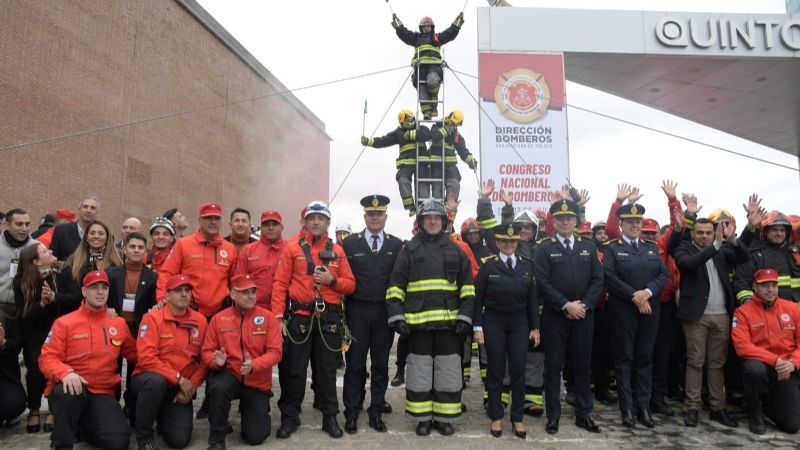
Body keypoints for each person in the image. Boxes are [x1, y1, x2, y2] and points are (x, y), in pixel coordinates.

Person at [385, 199, 475, 437]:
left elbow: (468, 288)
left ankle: (445, 418)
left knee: (448, 372)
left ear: (444, 222)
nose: (433, 221)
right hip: (418, 326)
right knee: (419, 372)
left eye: (437, 218)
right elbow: (395, 285)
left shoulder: (456, 250)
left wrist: (465, 318)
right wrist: (397, 317)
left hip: (449, 326)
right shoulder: (410, 250)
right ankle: (421, 418)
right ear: (421, 222)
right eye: (428, 218)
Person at [271, 201, 356, 439]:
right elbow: (279, 284)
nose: (316, 222)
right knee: (294, 371)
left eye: (321, 218)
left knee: (327, 370)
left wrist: (332, 281)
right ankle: (290, 416)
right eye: (312, 218)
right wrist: (278, 317)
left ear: (328, 223)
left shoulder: (338, 251)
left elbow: (350, 285)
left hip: (328, 317)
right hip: (299, 317)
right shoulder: (292, 248)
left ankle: (330, 417)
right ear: (305, 222)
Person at [39, 270, 137, 450]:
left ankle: (82, 426)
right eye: (94, 288)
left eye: (104, 288)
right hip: (71, 389)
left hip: (102, 392)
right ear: (84, 292)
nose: (100, 292)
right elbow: (47, 358)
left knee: (119, 442)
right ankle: (62, 444)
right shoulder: (64, 323)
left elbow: (137, 355)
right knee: (69, 392)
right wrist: (66, 373)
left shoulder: (118, 324)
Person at [534, 199, 604, 435]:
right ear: (553, 221)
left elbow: (598, 280)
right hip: (556, 316)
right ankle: (553, 415)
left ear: (576, 220)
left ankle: (584, 414)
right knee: (553, 367)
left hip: (583, 315)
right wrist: (566, 305)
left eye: (569, 217)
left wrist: (583, 305)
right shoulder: (543, 248)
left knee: (583, 366)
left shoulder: (589, 247)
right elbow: (542, 282)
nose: (565, 221)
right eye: (560, 218)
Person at [672, 215, 750, 428]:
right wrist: (716, 244)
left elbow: (744, 257)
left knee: (717, 364)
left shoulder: (722, 250)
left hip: (721, 315)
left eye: (708, 232)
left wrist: (732, 239)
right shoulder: (684, 249)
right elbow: (688, 264)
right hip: (696, 315)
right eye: (700, 232)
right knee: (695, 362)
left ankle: (717, 407)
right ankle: (692, 407)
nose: (705, 236)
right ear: (693, 233)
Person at [341, 195, 403, 434]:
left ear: (386, 217)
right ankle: (352, 412)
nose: (375, 218)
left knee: (380, 366)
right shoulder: (350, 244)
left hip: (383, 315)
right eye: (371, 214)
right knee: (354, 365)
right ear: (365, 216)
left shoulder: (396, 245)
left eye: (379, 214)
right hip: (356, 312)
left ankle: (376, 410)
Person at [603, 203, 668, 428]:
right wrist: (635, 296)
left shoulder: (651, 248)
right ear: (621, 224)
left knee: (645, 358)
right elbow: (609, 276)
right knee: (624, 359)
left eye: (637, 222)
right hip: (624, 310)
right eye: (629, 222)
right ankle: (627, 409)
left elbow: (663, 275)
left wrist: (647, 293)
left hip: (650, 309)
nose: (634, 225)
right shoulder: (613, 248)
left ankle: (643, 407)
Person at [473, 223, 539, 439]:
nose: (508, 244)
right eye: (504, 241)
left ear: (517, 242)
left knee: (519, 371)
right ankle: (496, 415)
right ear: (498, 243)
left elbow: (532, 301)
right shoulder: (488, 267)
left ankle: (517, 418)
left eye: (512, 241)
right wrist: (478, 327)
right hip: (494, 323)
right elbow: (477, 299)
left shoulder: (527, 266)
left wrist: (535, 328)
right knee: (496, 371)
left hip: (520, 325)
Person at [203, 274, 282, 449]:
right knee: (218, 387)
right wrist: (218, 362)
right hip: (230, 374)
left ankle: (256, 413)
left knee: (255, 437)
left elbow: (276, 352)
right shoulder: (218, 319)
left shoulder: (268, 318)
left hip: (257, 380)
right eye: (244, 292)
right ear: (232, 294)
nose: (251, 296)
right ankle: (216, 438)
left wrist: (255, 365)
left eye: (253, 291)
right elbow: (206, 352)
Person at [132, 274, 207, 449]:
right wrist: (179, 379)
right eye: (178, 291)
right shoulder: (152, 318)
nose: (184, 295)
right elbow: (146, 358)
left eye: (187, 290)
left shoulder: (200, 321)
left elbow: (204, 360)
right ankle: (144, 437)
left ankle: (163, 415)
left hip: (180, 387)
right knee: (155, 382)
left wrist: (192, 386)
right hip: (151, 379)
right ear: (166, 296)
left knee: (178, 441)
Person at [13, 243, 81, 433]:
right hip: (34, 331)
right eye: (44, 251)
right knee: (35, 367)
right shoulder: (20, 281)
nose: (51, 251)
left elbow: (75, 299)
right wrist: (41, 303)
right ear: (35, 261)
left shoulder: (63, 272)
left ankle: (53, 409)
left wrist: (54, 297)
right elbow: (23, 315)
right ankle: (34, 409)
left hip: (61, 328)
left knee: (58, 366)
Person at [731, 269, 800, 435]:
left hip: (786, 368)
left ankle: (769, 402)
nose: (770, 290)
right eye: (764, 285)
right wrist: (776, 361)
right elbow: (742, 346)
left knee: (791, 426)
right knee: (754, 369)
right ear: (755, 286)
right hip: (763, 365)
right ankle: (754, 411)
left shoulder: (792, 309)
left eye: (773, 285)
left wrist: (793, 364)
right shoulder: (743, 312)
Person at [106, 231, 158, 420]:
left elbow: (153, 304)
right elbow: (104, 298)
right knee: (113, 368)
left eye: (140, 247)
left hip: (138, 329)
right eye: (132, 246)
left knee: (137, 368)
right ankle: (111, 407)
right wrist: (107, 309)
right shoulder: (111, 273)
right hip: (114, 327)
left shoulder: (152, 277)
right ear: (124, 248)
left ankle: (132, 406)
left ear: (146, 251)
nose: (136, 250)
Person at [156, 203, 235, 318]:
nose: (213, 222)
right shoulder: (183, 244)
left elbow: (234, 282)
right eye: (208, 218)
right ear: (199, 220)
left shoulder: (229, 248)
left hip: (220, 314)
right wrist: (163, 300)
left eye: (217, 218)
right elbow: (166, 274)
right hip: (187, 312)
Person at [391, 12, 465, 119]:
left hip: (434, 67)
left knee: (432, 80)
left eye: (428, 26)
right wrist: (397, 23)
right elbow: (404, 34)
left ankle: (434, 99)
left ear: (432, 27)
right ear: (421, 28)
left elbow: (451, 33)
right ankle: (427, 113)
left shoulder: (437, 38)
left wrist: (458, 21)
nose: (426, 28)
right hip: (420, 68)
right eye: (424, 26)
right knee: (422, 89)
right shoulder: (416, 38)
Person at [361, 110, 432, 215]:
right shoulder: (398, 133)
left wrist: (411, 134)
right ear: (401, 122)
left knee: (422, 186)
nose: (409, 123)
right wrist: (368, 142)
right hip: (406, 164)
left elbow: (427, 135)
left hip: (421, 164)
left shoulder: (421, 128)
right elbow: (383, 141)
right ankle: (411, 207)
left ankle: (423, 207)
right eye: (406, 121)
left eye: (411, 120)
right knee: (402, 179)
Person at [734, 210, 799, 304]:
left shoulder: (794, 253)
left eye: (782, 230)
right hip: (767, 312)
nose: (779, 233)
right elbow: (741, 282)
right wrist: (748, 302)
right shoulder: (755, 254)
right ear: (765, 231)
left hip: (796, 314)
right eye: (774, 230)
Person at [232, 210, 287, 311]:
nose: (270, 228)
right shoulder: (248, 250)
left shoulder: (290, 249)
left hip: (285, 309)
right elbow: (239, 280)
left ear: (282, 227)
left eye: (274, 224)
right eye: (266, 224)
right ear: (260, 228)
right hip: (254, 308)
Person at [428, 110, 477, 201]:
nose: (454, 126)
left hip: (450, 166)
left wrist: (471, 161)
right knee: (437, 188)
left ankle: (450, 210)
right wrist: (446, 130)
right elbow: (435, 136)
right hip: (436, 165)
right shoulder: (436, 127)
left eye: (456, 125)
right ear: (448, 120)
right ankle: (438, 211)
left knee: (454, 184)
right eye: (452, 124)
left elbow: (463, 151)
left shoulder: (456, 136)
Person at [1, 208, 39, 317]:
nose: (24, 228)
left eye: (27, 224)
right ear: (7, 225)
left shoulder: (37, 247)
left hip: (25, 309)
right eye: (19, 224)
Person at [64, 220, 122, 286]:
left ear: (107, 238)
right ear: (86, 238)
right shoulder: (74, 260)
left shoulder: (119, 258)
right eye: (92, 233)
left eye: (101, 233)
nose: (96, 236)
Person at [50, 195, 100, 260]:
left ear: (97, 212)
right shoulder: (60, 231)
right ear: (79, 209)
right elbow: (54, 259)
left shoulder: (103, 236)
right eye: (85, 207)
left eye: (93, 208)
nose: (88, 210)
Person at [0, 310, 26, 426]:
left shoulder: (8, 320)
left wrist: (3, 343)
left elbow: (16, 348)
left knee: (15, 403)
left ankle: (8, 415)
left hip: (5, 378)